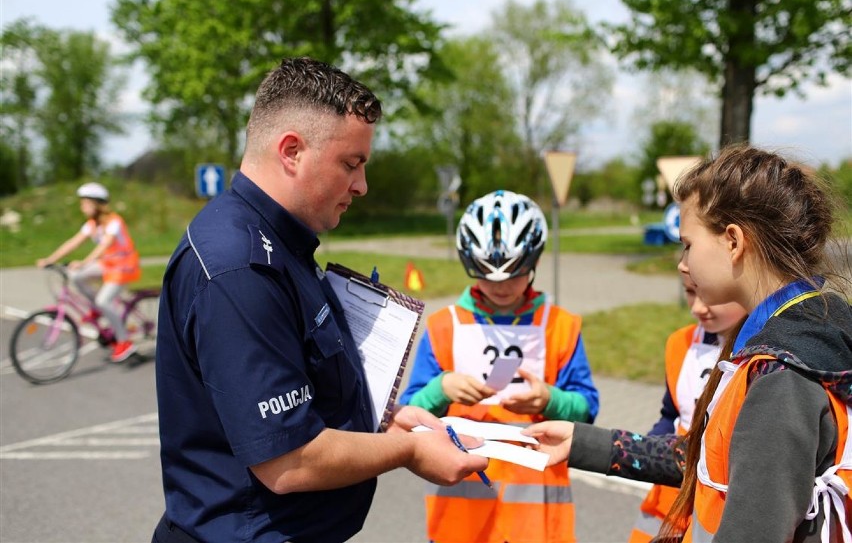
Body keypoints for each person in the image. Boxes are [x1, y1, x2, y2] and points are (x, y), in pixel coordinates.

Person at [152, 57, 488, 543]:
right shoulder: (240, 268)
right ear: (292, 151)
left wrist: (383, 418)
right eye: (351, 164)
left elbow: (301, 380)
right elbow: (289, 462)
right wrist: (407, 451)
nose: (362, 186)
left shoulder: (278, 242)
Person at [523, 145, 852, 543]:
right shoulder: (814, 330)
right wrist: (585, 442)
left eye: (688, 244)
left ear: (733, 241)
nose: (682, 263)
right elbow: (707, 456)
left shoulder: (781, 377)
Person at [399, 189, 600, 543]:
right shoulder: (444, 326)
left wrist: (550, 401)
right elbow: (409, 414)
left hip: (536, 521)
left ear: (534, 263)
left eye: (515, 274)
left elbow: (586, 410)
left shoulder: (561, 325)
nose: (502, 286)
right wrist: (440, 389)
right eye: (488, 277)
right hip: (461, 520)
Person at [628, 271, 747, 543]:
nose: (697, 307)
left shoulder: (761, 356)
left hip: (716, 507)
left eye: (706, 294)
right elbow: (670, 414)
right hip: (668, 504)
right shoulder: (679, 344)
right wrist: (647, 450)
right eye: (690, 292)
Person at [36, 182, 141, 362]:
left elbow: (105, 244)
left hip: (124, 266)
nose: (82, 206)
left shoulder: (114, 221)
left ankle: (124, 342)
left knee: (104, 300)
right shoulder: (92, 224)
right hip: (108, 265)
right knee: (75, 276)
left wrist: (84, 262)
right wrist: (50, 259)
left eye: (85, 203)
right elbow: (73, 242)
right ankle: (98, 309)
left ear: (97, 204)